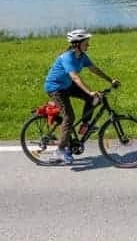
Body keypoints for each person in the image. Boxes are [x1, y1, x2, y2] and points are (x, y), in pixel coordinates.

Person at [43, 28, 119, 164]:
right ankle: (60, 151)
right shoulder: (68, 57)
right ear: (77, 44)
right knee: (69, 116)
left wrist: (110, 80)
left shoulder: (82, 56)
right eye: (86, 43)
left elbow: (94, 69)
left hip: (66, 85)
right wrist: (89, 90)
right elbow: (75, 77)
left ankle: (84, 126)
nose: (88, 45)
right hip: (55, 88)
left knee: (93, 99)